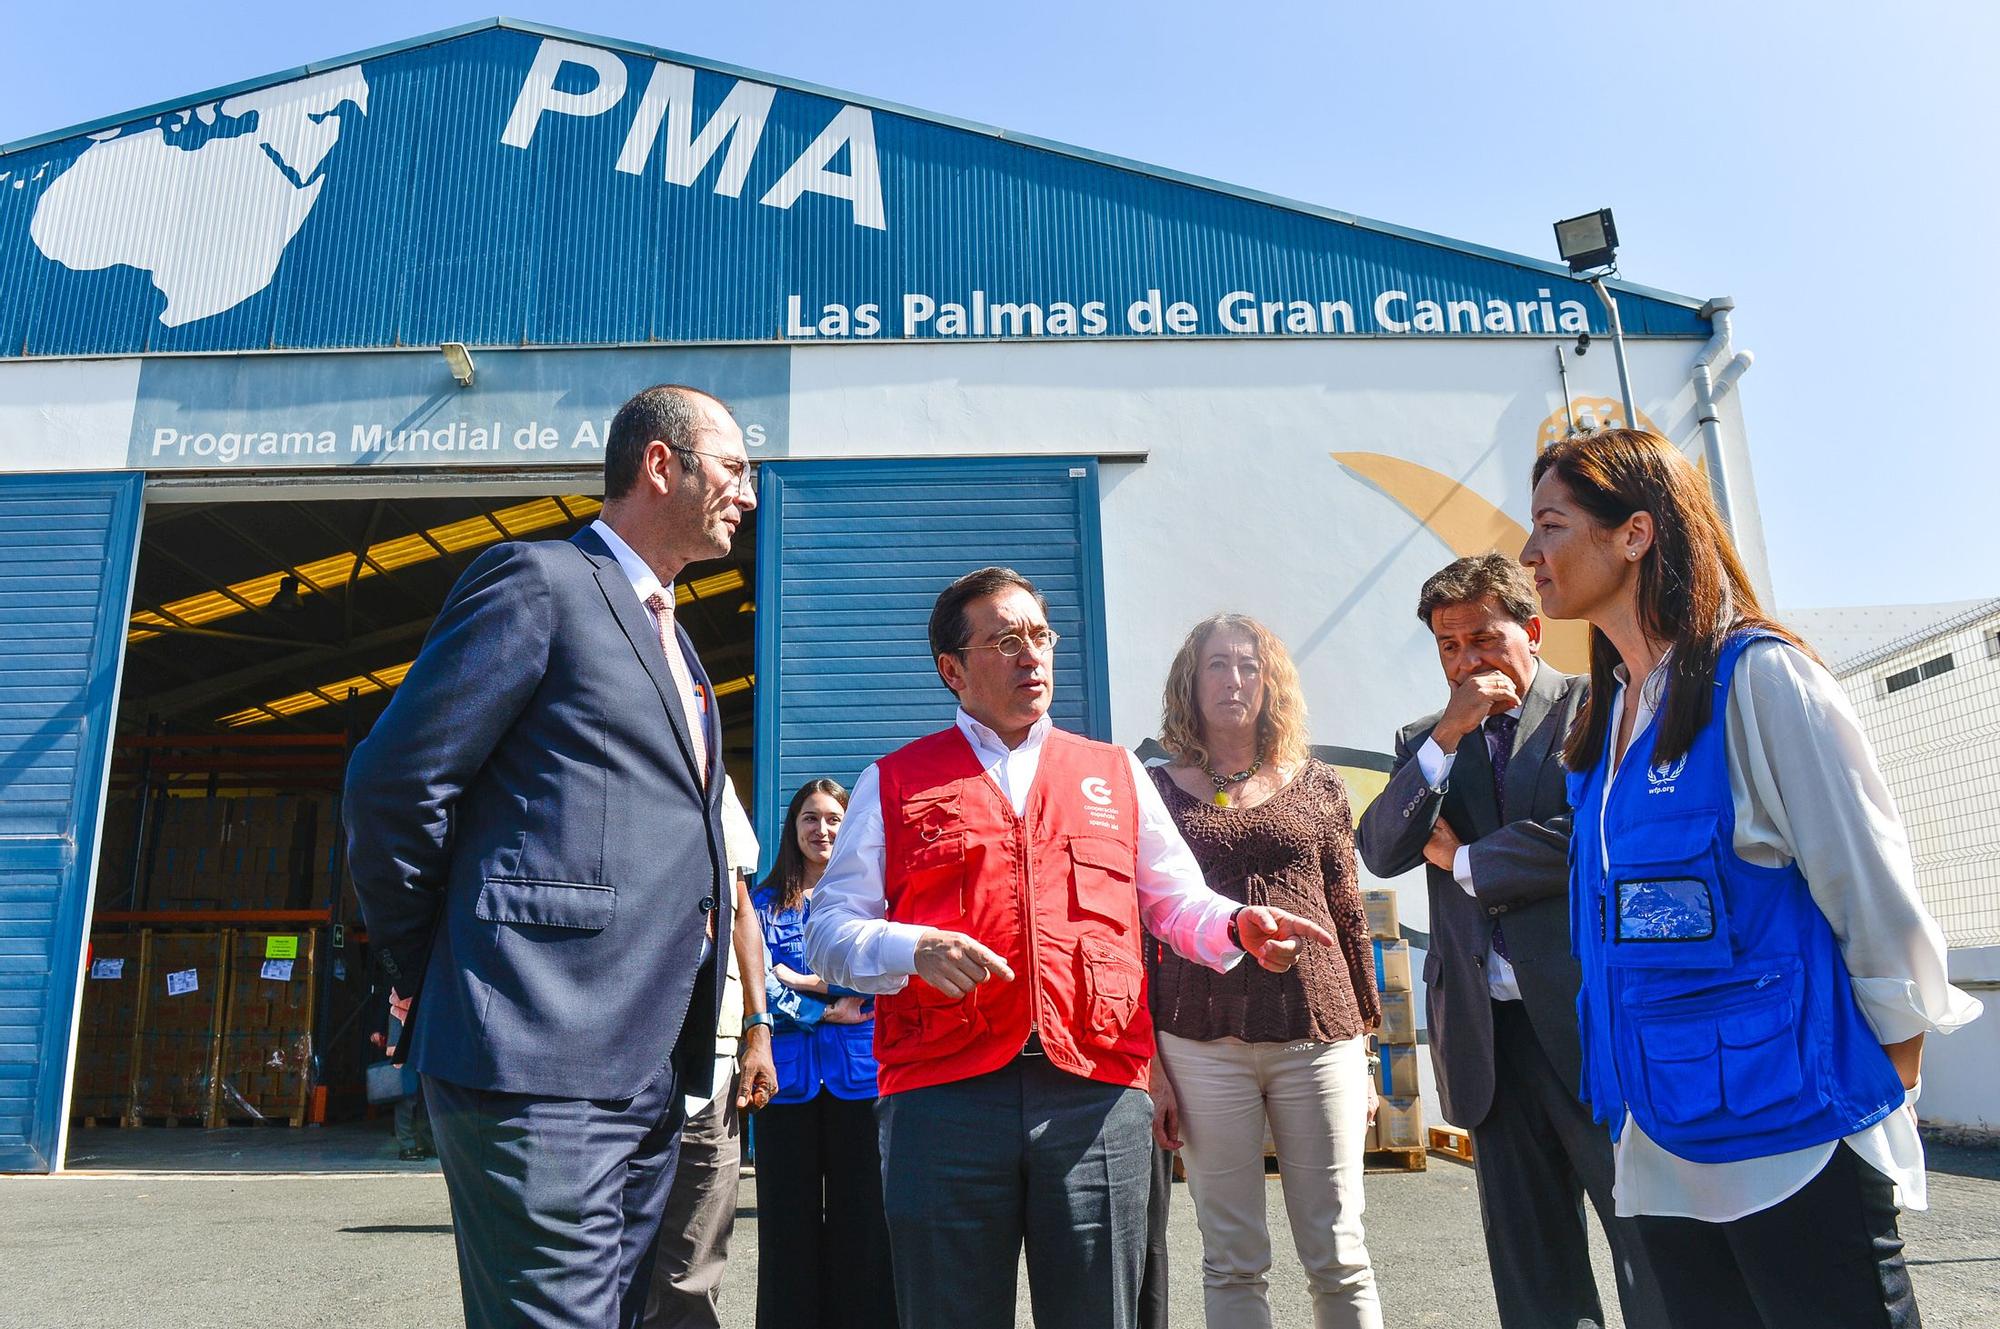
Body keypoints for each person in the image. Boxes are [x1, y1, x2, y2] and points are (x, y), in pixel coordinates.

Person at [1520, 427, 1983, 1328]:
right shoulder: (1605, 725)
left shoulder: (1762, 680)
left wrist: (1889, 1078)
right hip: (1660, 1141)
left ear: (1635, 533)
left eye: (1551, 525)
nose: (1530, 554)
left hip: (1794, 1129)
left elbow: (1871, 889)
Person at [343, 384, 776, 1329]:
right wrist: (430, 961)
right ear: (661, 466)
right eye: (736, 467)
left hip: (647, 1069)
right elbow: (394, 786)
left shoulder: (679, 644)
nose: (750, 491)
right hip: (534, 1055)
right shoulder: (538, 582)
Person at [805, 566, 1337, 1329]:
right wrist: (909, 946)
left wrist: (1233, 926)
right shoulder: (894, 781)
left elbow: (1172, 897)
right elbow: (829, 930)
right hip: (941, 1097)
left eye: (1041, 636)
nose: (1033, 656)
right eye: (1005, 640)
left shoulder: (1112, 771)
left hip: (1094, 1093)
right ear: (953, 670)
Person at [1354, 554, 1666, 1329]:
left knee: (1650, 1244)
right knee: (1530, 1264)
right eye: (1449, 648)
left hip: (1589, 1025)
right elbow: (1383, 847)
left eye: (1483, 639)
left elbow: (1588, 837)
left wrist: (1464, 861)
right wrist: (1448, 736)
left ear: (1530, 628)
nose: (1468, 661)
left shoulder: (1598, 707)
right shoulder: (1426, 740)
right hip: (1488, 1038)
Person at [1147, 613, 1384, 1329]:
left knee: (1339, 1252)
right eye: (1216, 665)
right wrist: (1151, 1065)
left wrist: (1366, 1047)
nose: (1234, 678)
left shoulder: (1319, 784)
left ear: (1271, 681)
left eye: (1249, 665)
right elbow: (1135, 923)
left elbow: (1349, 913)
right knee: (1230, 1257)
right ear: (1191, 683)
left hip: (1319, 1038)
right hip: (1199, 1044)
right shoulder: (1155, 789)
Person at [752, 778, 898, 1329]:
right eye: (810, 818)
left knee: (863, 1223)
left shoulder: (869, 904)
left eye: (834, 818)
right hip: (786, 1086)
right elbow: (757, 982)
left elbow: (880, 978)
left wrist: (803, 978)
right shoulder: (763, 906)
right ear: (793, 829)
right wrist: (823, 1003)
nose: (823, 829)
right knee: (787, 1226)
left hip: (861, 1081)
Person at [643, 776, 779, 1329]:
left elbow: (741, 908)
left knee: (692, 1263)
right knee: (609, 1256)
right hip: (617, 1052)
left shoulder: (711, 771)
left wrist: (758, 1031)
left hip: (714, 1060)